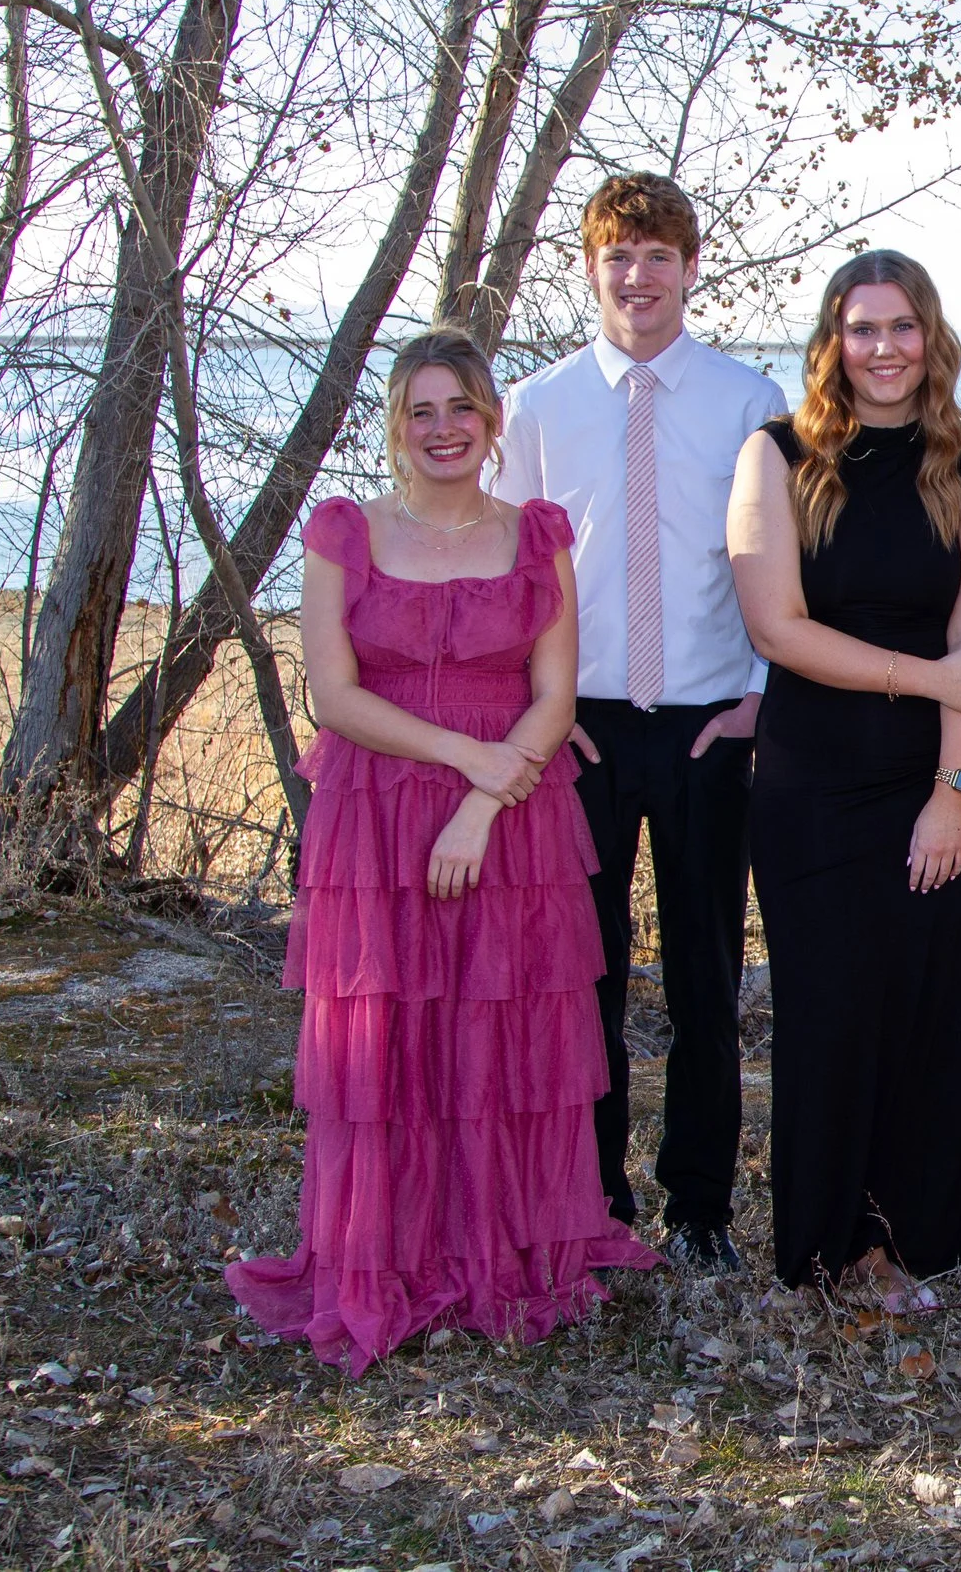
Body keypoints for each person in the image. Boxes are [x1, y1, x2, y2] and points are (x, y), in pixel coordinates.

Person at [228, 329, 658, 1375]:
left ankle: (499, 1250)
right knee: (384, 1037)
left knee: (497, 1031)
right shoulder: (343, 532)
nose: (443, 429)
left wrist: (479, 800)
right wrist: (464, 757)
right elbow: (335, 699)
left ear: (492, 420)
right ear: (395, 426)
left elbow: (555, 698)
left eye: (461, 407)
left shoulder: (537, 532)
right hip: (375, 811)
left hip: (513, 814)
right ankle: (388, 1256)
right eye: (421, 411)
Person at [494, 174, 788, 1273]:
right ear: (591, 267)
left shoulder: (748, 397)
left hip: (713, 722)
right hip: (584, 729)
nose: (639, 275)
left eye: (659, 254)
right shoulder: (538, 406)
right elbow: (511, 570)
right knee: (589, 972)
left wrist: (761, 691)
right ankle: (596, 1193)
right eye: (619, 255)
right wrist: (539, 704)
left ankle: (701, 1202)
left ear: (690, 266)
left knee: (708, 972)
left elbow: (772, 559)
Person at [730, 249, 961, 1307]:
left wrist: (955, 792)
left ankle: (906, 1240)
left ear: (931, 338)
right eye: (863, 329)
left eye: (903, 327)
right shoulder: (774, 456)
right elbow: (778, 627)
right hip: (811, 779)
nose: (884, 348)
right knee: (830, 1010)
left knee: (930, 1008)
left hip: (931, 772)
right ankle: (825, 1243)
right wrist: (920, 674)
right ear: (833, 341)